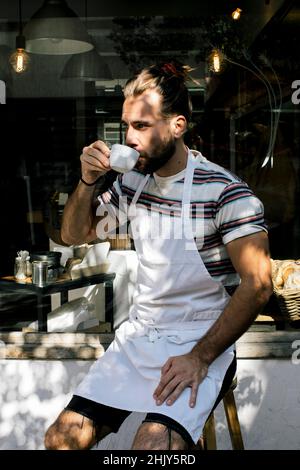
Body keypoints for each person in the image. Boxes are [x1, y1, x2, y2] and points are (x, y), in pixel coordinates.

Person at [44, 61, 272, 450]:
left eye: (142, 126)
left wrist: (199, 357)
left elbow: (258, 285)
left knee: (152, 449)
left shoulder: (225, 193)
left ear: (177, 126)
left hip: (202, 340)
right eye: (127, 125)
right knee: (61, 440)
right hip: (140, 336)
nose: (129, 138)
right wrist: (86, 182)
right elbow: (74, 234)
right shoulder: (132, 183)